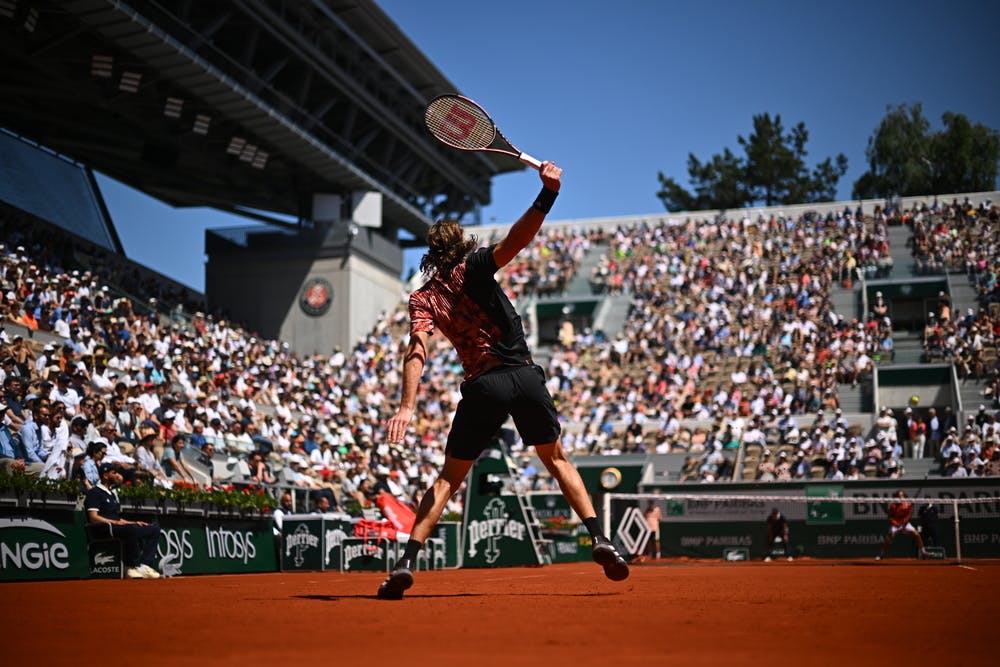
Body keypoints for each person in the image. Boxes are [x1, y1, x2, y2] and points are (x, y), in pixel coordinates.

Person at [377, 163, 628, 600]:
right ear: (460, 246)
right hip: (525, 377)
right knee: (557, 460)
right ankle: (599, 538)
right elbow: (518, 239)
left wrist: (406, 406)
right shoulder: (474, 265)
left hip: (483, 386)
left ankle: (405, 562)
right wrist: (547, 194)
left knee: (447, 481)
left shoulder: (423, 296)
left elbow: (416, 350)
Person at [84, 462, 161, 579]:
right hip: (103, 528)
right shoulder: (94, 493)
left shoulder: (111, 494)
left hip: (116, 526)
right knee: (131, 530)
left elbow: (117, 518)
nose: (117, 475)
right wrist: (116, 523)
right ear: (105, 476)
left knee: (153, 529)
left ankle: (144, 566)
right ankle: (132, 566)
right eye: (114, 473)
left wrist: (133, 522)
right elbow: (93, 517)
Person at [876, 490, 928, 560]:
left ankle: (923, 552)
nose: (900, 498)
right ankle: (881, 554)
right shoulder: (893, 506)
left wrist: (905, 522)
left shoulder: (907, 504)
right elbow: (890, 516)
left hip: (905, 524)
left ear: (904, 497)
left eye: (901, 496)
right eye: (898, 496)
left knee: (917, 534)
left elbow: (909, 515)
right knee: (889, 538)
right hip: (896, 524)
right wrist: (895, 523)